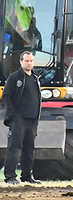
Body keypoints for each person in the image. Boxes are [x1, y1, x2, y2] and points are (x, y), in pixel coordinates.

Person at [2, 51, 41, 185]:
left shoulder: (35, 78)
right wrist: (12, 114)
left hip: (32, 119)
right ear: (21, 62)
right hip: (19, 119)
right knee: (15, 147)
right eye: (26, 61)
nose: (29, 63)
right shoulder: (15, 78)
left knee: (29, 148)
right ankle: (10, 176)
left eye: (31, 61)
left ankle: (27, 176)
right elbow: (6, 96)